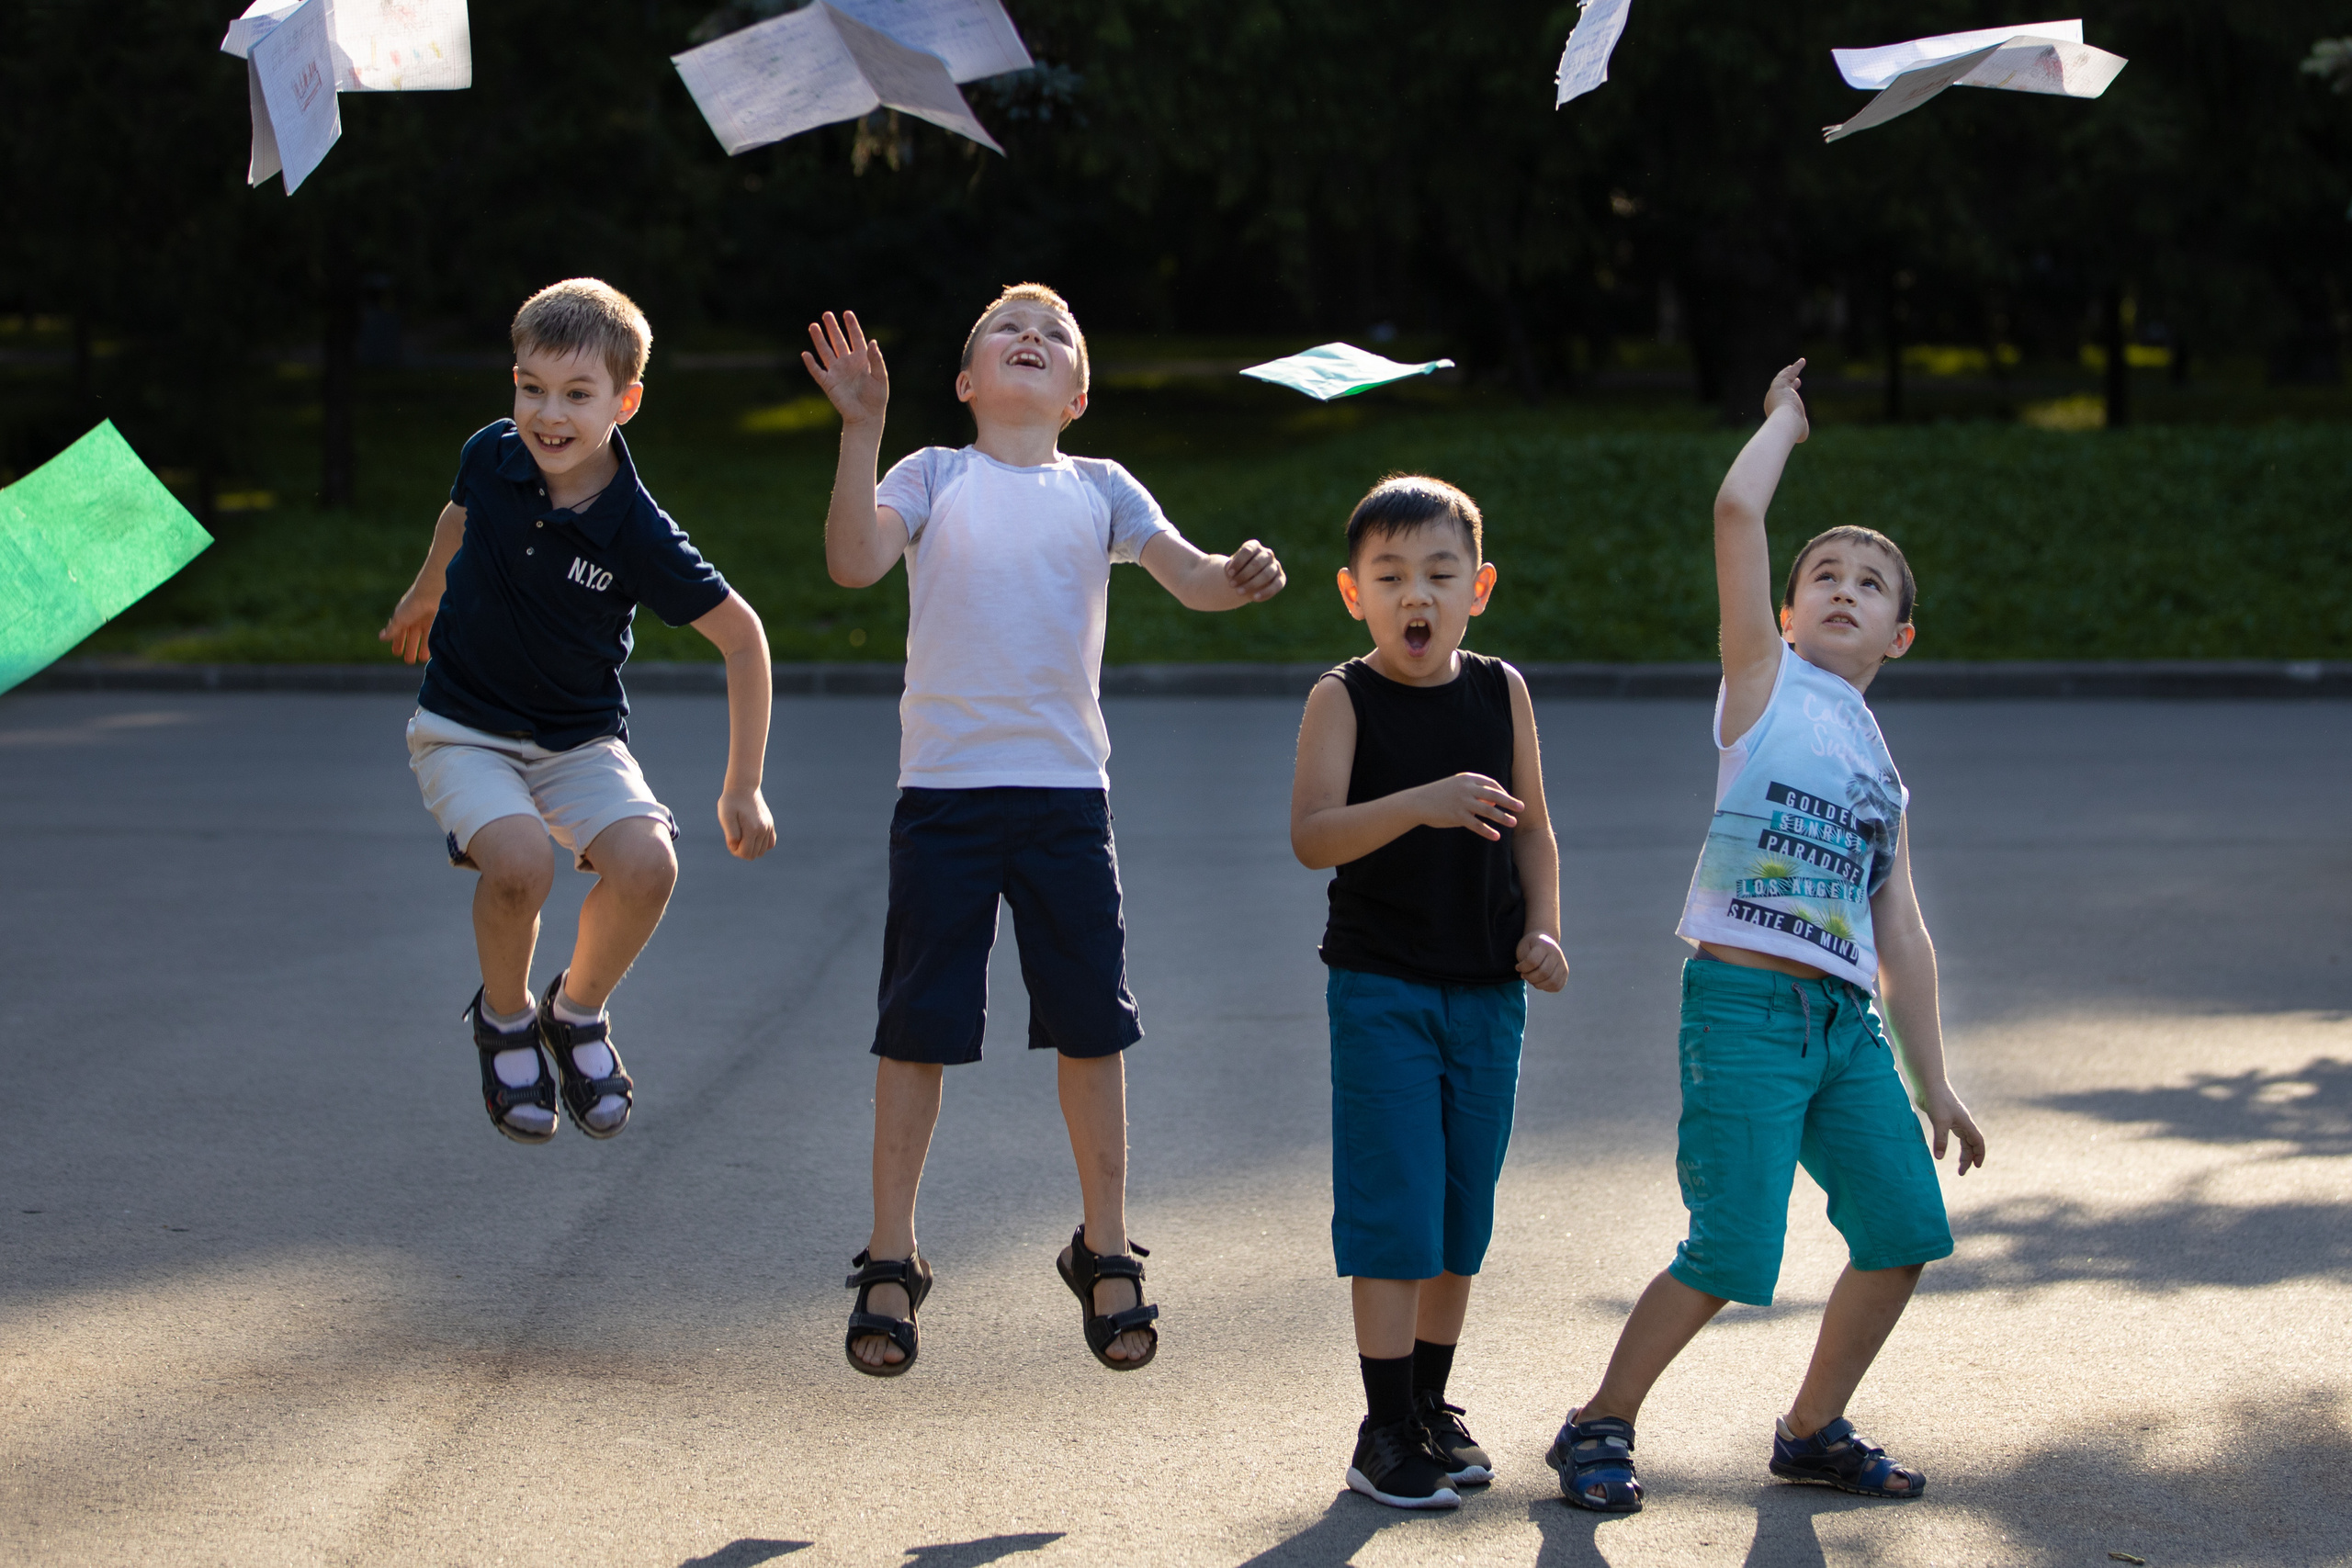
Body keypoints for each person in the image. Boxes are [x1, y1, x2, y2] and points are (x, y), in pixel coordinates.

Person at [801, 284, 1287, 1377]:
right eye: (1004, 329)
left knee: (1091, 1024)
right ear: (970, 382)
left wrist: (1238, 577)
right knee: (917, 1025)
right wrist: (861, 429)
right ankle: (892, 1254)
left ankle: (1105, 1244)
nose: (1031, 335)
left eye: (1055, 333)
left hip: (1067, 799)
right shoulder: (930, 473)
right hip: (944, 799)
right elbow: (852, 561)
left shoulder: (1103, 489)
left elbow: (1192, 576)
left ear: (1075, 395)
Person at [1546, 359, 1986, 1512]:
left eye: (1872, 583)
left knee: (1902, 1230)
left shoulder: (1883, 776)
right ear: (1786, 614)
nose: (1845, 589)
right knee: (1733, 1252)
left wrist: (1934, 1083)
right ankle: (1598, 1424)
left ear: (1899, 635)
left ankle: (1809, 1430)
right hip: (1740, 1009)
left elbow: (1905, 936)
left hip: (1843, 1029)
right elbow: (1737, 513)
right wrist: (1783, 426)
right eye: (1824, 576)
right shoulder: (1761, 685)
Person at [379, 277, 776, 1146]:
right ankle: (507, 1016)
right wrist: (421, 594)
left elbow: (743, 638)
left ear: (625, 401)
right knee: (521, 865)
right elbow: (456, 518)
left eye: (576, 394)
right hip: (462, 725)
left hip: (578, 740)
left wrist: (742, 785)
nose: (546, 414)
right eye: (530, 386)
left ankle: (576, 1010)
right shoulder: (492, 453)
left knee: (649, 867)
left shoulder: (637, 528)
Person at [1290, 475, 1568, 1510]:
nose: (1418, 594)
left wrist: (1542, 927)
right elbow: (1312, 834)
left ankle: (1429, 1410)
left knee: (1459, 1212)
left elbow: (1534, 828)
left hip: (1489, 992)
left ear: (1477, 589)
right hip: (1381, 990)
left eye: (1440, 575)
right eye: (1391, 576)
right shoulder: (1341, 697)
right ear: (1352, 593)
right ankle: (1380, 1430)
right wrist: (1422, 804)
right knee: (1393, 1211)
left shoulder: (1501, 690)